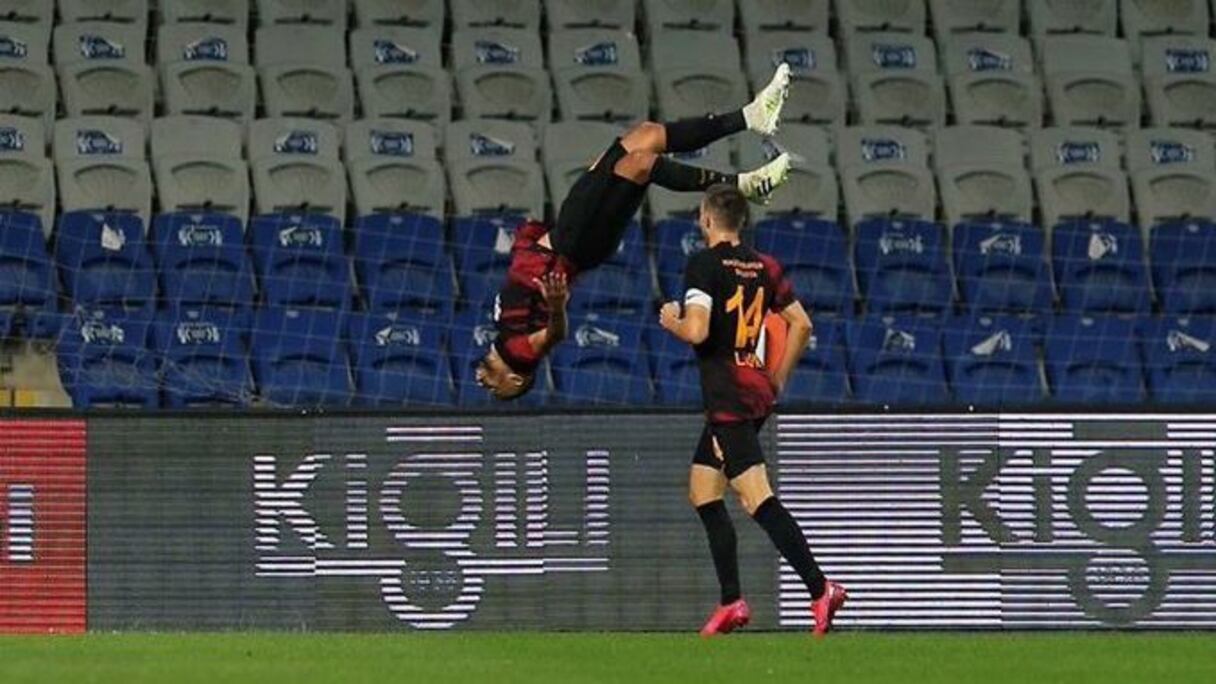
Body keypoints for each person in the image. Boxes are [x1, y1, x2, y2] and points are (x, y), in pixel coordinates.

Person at [475, 64, 795, 400]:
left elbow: (521, 280)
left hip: (566, 236)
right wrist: (556, 307)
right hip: (573, 244)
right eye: (495, 389)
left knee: (647, 136)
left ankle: (751, 116)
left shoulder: (502, 331)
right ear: (516, 381)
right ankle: (745, 185)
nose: (483, 382)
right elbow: (553, 335)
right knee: (641, 163)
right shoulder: (518, 355)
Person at [658, 184, 847, 637]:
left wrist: (673, 321)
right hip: (754, 389)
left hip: (727, 399)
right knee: (703, 489)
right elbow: (801, 323)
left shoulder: (703, 264)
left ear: (706, 218)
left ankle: (821, 588)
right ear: (741, 222)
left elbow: (699, 331)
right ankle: (731, 601)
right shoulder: (765, 266)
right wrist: (778, 377)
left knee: (755, 497)